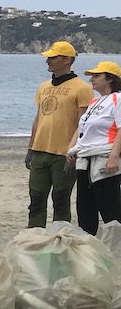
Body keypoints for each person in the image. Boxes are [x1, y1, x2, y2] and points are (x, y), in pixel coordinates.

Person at [27, 41, 94, 227]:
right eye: (48, 57)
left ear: (67, 60)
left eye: (53, 57)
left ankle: (60, 237)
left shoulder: (81, 88)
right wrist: (30, 148)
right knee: (36, 200)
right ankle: (34, 236)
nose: (48, 61)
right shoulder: (43, 87)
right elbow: (38, 118)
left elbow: (83, 124)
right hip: (40, 150)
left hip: (63, 153)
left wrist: (73, 151)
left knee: (60, 200)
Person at [65, 62, 121, 235]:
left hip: (103, 158)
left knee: (110, 209)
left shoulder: (117, 99)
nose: (92, 79)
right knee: (85, 209)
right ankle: (89, 248)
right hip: (85, 160)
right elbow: (82, 128)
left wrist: (114, 156)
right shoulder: (95, 101)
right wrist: (72, 148)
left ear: (110, 78)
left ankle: (116, 248)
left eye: (97, 76)